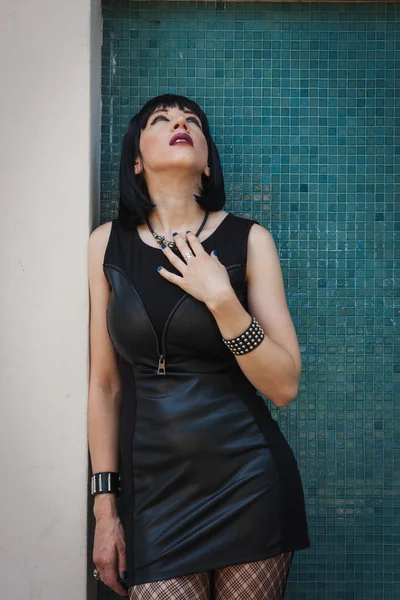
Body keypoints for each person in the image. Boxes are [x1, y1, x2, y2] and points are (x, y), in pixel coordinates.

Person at [87, 93, 310, 600]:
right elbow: (104, 386)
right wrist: (106, 510)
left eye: (192, 122)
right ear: (137, 161)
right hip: (155, 498)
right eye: (160, 120)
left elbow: (284, 384)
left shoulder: (250, 241)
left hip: (249, 482)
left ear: (208, 163)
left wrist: (222, 299)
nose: (179, 123)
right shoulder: (106, 245)